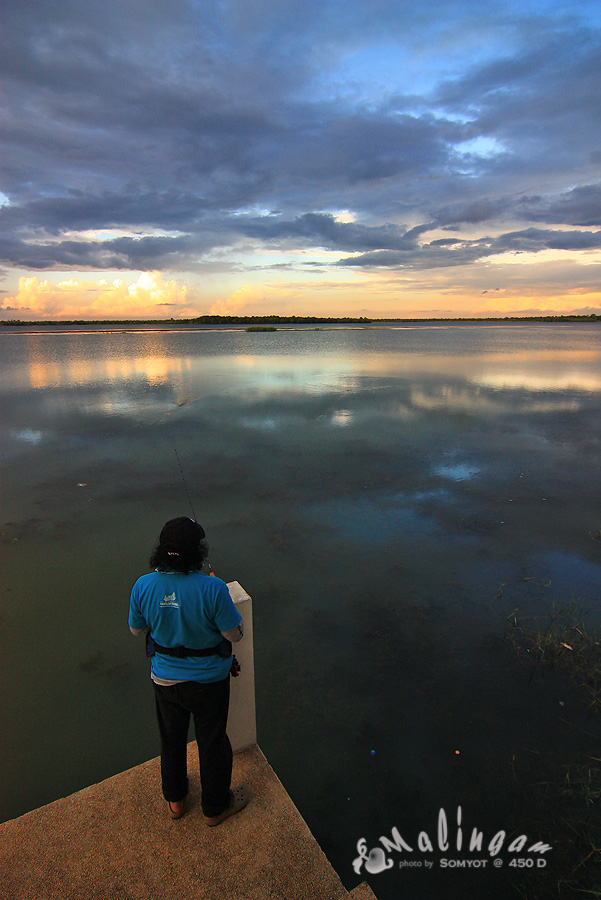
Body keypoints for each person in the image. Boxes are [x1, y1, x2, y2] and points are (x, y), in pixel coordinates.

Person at [129, 516, 248, 824]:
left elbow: (136, 630)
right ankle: (214, 808)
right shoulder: (213, 588)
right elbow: (233, 633)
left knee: (171, 740)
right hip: (209, 681)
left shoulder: (142, 585)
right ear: (197, 551)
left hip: (165, 680)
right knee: (212, 742)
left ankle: (176, 802)